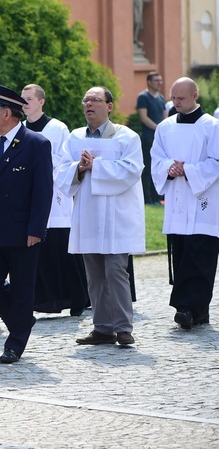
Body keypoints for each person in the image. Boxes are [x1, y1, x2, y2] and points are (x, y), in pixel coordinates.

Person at [0, 83, 53, 364]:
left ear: (7, 113)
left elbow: (43, 191)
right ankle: (22, 319)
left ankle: (15, 343)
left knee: (22, 288)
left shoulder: (36, 144)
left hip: (22, 232)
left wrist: (36, 229)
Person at [55, 86, 145, 347]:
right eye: (86, 100)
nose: (89, 104)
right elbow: (61, 171)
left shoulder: (127, 137)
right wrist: (79, 168)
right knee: (94, 273)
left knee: (116, 269)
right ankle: (102, 328)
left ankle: (124, 327)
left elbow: (131, 171)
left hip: (117, 214)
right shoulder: (74, 138)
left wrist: (98, 165)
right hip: (88, 213)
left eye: (95, 100)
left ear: (109, 106)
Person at [152, 77, 219, 330]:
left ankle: (187, 308)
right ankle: (195, 312)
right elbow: (156, 157)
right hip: (178, 199)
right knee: (181, 254)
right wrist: (170, 168)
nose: (176, 102)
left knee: (199, 255)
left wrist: (188, 170)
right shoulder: (165, 127)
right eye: (173, 98)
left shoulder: (212, 126)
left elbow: (216, 161)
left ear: (194, 95)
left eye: (181, 98)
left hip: (204, 201)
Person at [21, 84, 88, 316]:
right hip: (29, 195)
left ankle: (76, 298)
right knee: (36, 251)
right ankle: (40, 301)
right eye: (23, 99)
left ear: (41, 101)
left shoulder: (57, 128)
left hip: (55, 195)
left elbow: (65, 158)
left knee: (60, 247)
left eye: (30, 99)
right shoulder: (19, 128)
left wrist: (39, 168)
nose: (25, 103)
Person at [136, 71, 166, 205]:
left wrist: (164, 129)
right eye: (156, 80)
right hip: (148, 138)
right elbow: (144, 117)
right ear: (149, 82)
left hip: (160, 139)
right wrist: (159, 129)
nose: (160, 83)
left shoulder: (161, 98)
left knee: (159, 167)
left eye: (160, 80)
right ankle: (147, 198)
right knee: (148, 168)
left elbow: (165, 116)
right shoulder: (143, 97)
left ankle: (157, 197)